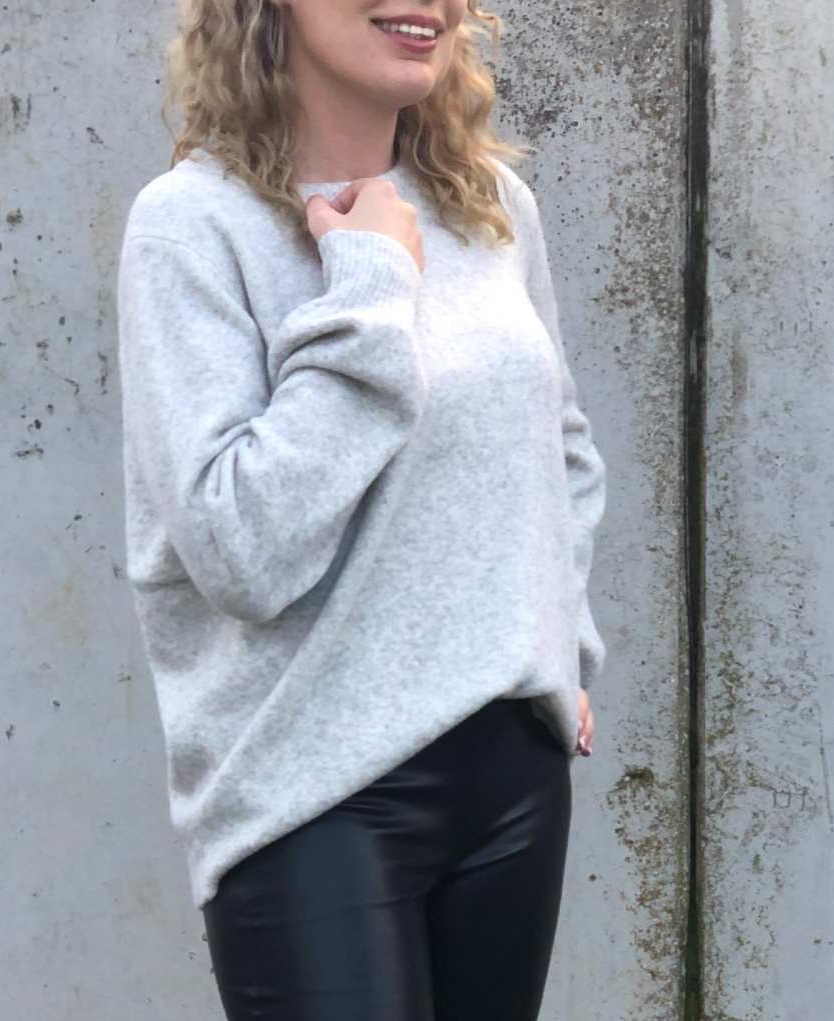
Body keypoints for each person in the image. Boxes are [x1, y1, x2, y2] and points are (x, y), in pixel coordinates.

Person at [115, 0, 607, 1016]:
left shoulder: (490, 205)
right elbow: (241, 548)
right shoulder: (192, 226)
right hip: (311, 793)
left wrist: (560, 641)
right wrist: (371, 280)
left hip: (511, 784)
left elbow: (558, 446)